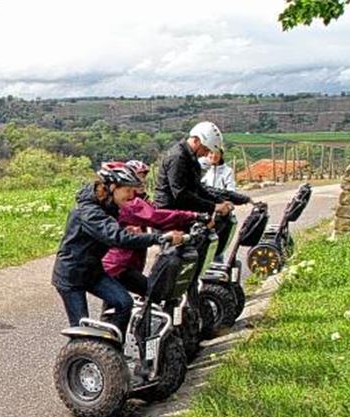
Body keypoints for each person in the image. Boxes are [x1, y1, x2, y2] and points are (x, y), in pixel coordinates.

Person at [52, 164, 182, 339]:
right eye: (127, 190)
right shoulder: (89, 211)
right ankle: (81, 361)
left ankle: (112, 350)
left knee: (124, 302)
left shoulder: (108, 206)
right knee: (82, 331)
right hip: (71, 276)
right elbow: (116, 237)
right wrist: (159, 238)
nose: (131, 195)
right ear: (112, 187)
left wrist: (126, 230)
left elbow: (115, 230)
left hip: (93, 271)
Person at [101, 161, 199, 297]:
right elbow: (156, 217)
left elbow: (157, 214)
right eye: (138, 177)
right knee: (152, 292)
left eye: (143, 177)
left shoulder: (139, 199)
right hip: (119, 265)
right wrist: (193, 215)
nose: (141, 181)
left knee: (117, 302)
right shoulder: (131, 204)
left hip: (127, 262)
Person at [154, 121, 248, 260]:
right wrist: (213, 206)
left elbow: (198, 188)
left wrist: (220, 202)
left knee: (194, 257)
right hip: (169, 216)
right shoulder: (178, 158)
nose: (205, 154)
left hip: (181, 215)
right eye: (205, 149)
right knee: (175, 261)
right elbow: (181, 195)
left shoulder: (190, 158)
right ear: (197, 140)